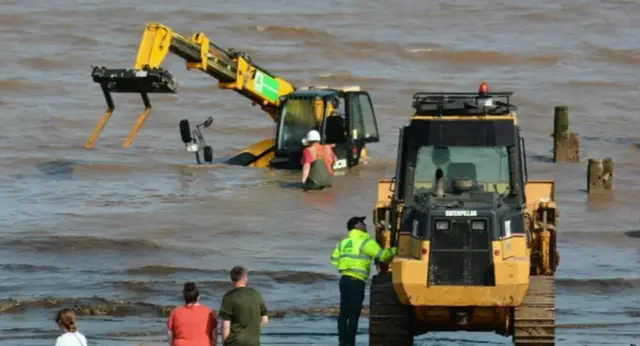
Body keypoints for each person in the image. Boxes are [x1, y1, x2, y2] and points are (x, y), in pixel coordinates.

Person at [330, 216, 398, 346]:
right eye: (362, 222)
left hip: (344, 280)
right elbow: (383, 256)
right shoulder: (365, 241)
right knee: (354, 314)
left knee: (344, 313)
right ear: (357, 225)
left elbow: (334, 259)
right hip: (357, 281)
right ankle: (350, 343)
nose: (365, 225)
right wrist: (395, 250)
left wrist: (347, 266)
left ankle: (342, 342)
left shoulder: (343, 242)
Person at [218, 266, 269, 346]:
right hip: (253, 342)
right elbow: (265, 320)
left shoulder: (228, 297)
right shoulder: (256, 294)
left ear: (232, 279)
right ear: (245, 278)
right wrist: (253, 331)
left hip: (235, 342)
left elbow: (225, 326)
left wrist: (224, 343)